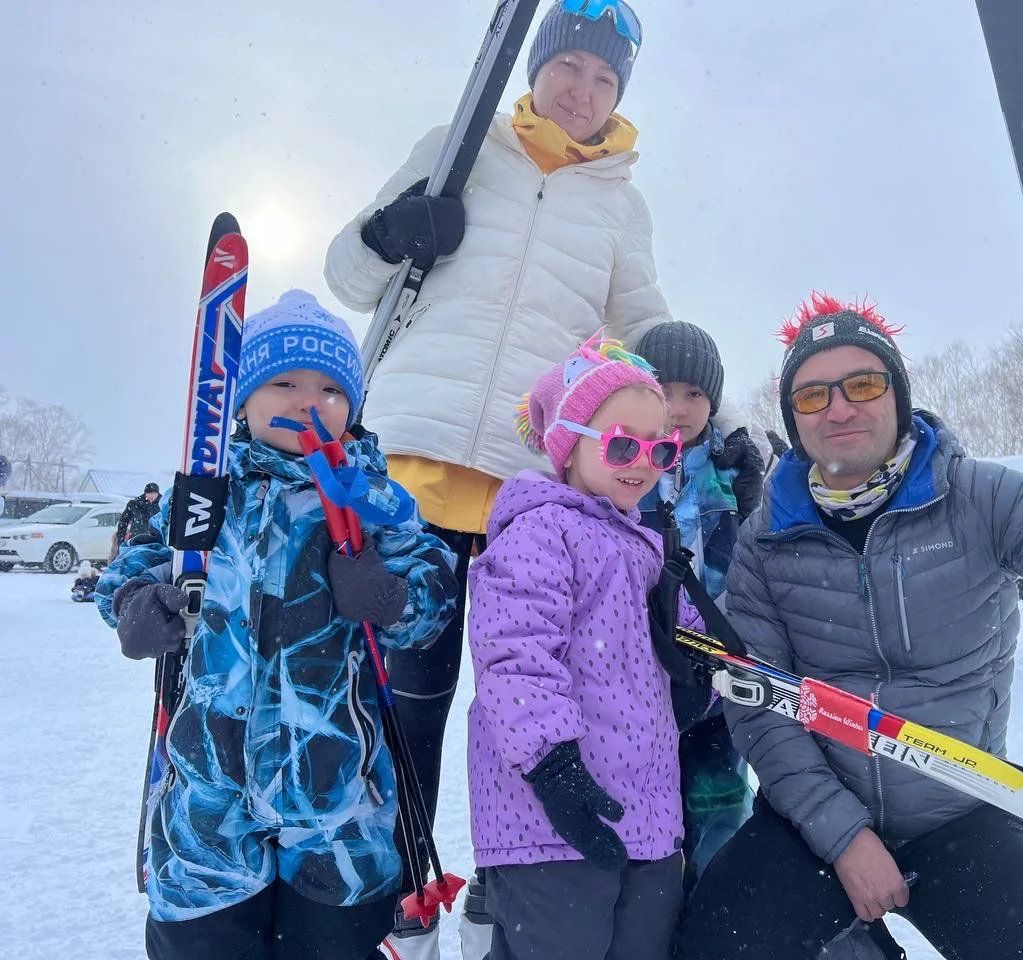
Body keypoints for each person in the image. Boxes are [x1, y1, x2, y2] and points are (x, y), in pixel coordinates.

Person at [674, 293, 1023, 960]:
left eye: (862, 384)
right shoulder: (765, 541)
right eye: (812, 396)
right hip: (813, 820)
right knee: (710, 948)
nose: (838, 408)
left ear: (898, 395)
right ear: (794, 417)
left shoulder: (980, 496)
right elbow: (759, 705)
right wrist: (844, 838)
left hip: (961, 812)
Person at [323, 6, 666, 951]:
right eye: (570, 68)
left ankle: (505, 889)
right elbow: (349, 275)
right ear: (536, 67)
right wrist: (389, 233)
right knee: (408, 702)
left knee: (539, 700)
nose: (583, 91)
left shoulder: (622, 206)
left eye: (605, 78)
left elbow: (641, 333)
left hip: (534, 497)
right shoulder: (460, 146)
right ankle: (400, 894)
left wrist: (689, 400)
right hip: (413, 472)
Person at [96, 290, 459, 960]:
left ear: (353, 406)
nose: (308, 401)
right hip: (209, 798)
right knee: (201, 946)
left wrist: (390, 597)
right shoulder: (202, 496)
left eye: (330, 389)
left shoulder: (375, 499)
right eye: (285, 383)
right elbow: (135, 563)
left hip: (337, 803)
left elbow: (433, 594)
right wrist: (136, 604)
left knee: (334, 946)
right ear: (240, 403)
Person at [465, 335, 699, 960]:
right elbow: (514, 654)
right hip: (544, 819)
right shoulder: (540, 531)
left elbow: (684, 644)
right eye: (621, 444)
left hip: (646, 819)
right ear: (568, 444)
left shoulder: (647, 545)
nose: (641, 462)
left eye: (660, 449)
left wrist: (699, 667)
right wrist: (551, 765)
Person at [633, 320, 763, 892]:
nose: (679, 408)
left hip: (717, 674)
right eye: (663, 391)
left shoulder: (735, 469)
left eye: (695, 393)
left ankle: (717, 910)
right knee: (645, 821)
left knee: (719, 806)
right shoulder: (621, 463)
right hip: (638, 676)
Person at [111, 481, 161, 560]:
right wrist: (121, 540)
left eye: (154, 493)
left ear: (157, 494)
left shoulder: (162, 505)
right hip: (137, 539)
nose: (151, 495)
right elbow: (123, 522)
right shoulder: (135, 504)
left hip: (155, 541)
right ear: (145, 494)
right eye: (149, 493)